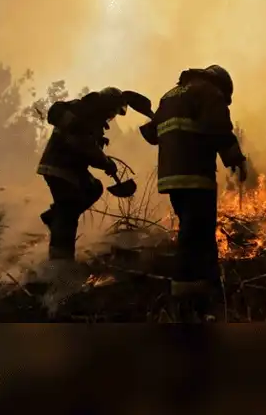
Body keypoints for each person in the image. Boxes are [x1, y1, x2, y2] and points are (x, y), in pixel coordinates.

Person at [139, 65, 248, 322]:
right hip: (196, 173)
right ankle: (186, 298)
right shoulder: (210, 91)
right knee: (194, 234)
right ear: (223, 85)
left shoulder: (170, 95)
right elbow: (218, 126)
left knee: (194, 229)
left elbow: (151, 134)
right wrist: (234, 157)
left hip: (171, 178)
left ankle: (205, 285)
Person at [34, 87, 152, 313]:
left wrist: (100, 150)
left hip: (68, 169)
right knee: (68, 214)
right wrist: (105, 162)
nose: (112, 117)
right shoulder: (86, 113)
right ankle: (60, 265)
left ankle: (54, 215)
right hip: (61, 168)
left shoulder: (88, 114)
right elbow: (82, 145)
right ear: (107, 104)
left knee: (93, 188)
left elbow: (85, 144)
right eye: (113, 112)